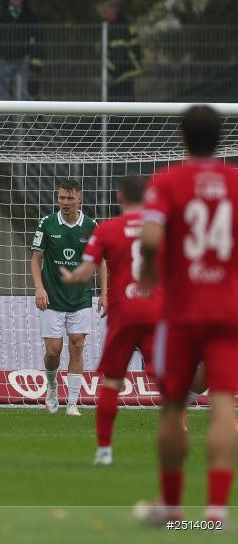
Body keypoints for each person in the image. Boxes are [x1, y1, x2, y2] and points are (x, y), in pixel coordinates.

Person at [134, 105, 236, 524]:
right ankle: (215, 510)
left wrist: (148, 274)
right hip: (228, 312)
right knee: (225, 406)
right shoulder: (235, 183)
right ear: (221, 137)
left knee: (174, 408)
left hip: (181, 311)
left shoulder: (168, 182)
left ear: (181, 136)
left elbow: (153, 237)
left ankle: (171, 507)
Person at [59, 175, 163, 463]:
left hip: (124, 313)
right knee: (167, 380)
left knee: (112, 382)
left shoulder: (107, 228)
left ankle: (104, 450)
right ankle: (178, 425)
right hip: (155, 311)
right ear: (146, 198)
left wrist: (71, 277)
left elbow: (87, 269)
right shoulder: (160, 228)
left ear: (119, 198)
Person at [30, 179, 107, 417]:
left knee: (77, 345)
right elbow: (36, 259)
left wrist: (105, 293)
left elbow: (101, 262)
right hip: (52, 297)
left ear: (79, 199)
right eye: (61, 197)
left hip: (81, 297)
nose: (65, 202)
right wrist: (39, 288)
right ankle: (52, 386)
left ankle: (72, 402)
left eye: (69, 198)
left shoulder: (91, 225)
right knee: (53, 351)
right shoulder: (47, 223)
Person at [0, 0, 43, 100]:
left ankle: (22, 118)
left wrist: (31, 54)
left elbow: (37, 37)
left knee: (24, 93)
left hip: (23, 60)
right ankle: (2, 118)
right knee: (1, 94)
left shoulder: (30, 15)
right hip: (2, 58)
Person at [101, 0, 142, 102]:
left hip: (126, 67)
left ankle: (131, 117)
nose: (105, 16)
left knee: (125, 95)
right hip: (118, 68)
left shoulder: (125, 25)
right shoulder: (108, 26)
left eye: (107, 12)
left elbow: (133, 44)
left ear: (114, 11)